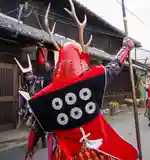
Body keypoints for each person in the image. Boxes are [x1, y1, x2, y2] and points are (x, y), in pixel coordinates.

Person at [23, 1, 139, 159]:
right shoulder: (91, 80)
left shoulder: (45, 95)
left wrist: (30, 149)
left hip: (63, 154)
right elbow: (115, 66)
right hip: (90, 151)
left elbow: (36, 128)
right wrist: (126, 48)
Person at [15, 43, 55, 159]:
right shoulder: (24, 87)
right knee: (34, 133)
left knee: (51, 133)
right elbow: (22, 99)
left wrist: (49, 72)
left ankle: (49, 150)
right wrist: (22, 110)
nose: (30, 75)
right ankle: (31, 152)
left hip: (44, 110)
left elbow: (49, 83)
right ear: (24, 76)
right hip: (33, 113)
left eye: (31, 73)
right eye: (27, 74)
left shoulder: (40, 80)